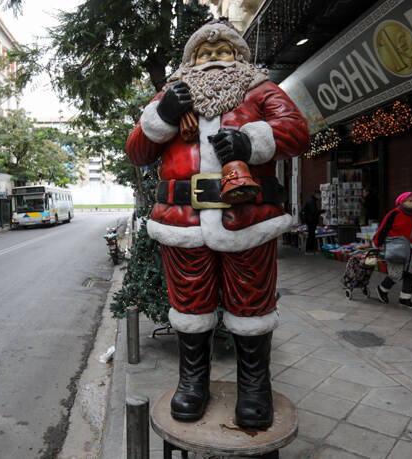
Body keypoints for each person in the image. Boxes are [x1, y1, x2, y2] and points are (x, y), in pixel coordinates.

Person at [126, 19, 309, 429]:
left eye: (223, 52)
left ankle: (255, 387)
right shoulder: (171, 95)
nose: (214, 59)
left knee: (252, 305)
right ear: (191, 61)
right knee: (191, 304)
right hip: (184, 221)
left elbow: (296, 131)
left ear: (239, 58)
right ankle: (192, 382)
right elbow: (137, 151)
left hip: (247, 218)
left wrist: (249, 141)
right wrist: (163, 115)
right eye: (205, 54)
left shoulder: (259, 90)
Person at [372, 191, 412, 309]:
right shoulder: (394, 214)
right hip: (398, 249)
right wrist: (378, 242)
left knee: (410, 274)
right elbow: (383, 228)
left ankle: (405, 299)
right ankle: (382, 289)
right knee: (396, 273)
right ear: (402, 202)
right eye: (410, 201)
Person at [300, 190, 324, 254]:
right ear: (316, 194)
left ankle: (311, 249)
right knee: (311, 236)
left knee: (312, 235)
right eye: (319, 195)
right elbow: (314, 212)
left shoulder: (312, 201)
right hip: (311, 221)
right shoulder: (311, 201)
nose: (320, 196)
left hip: (311, 221)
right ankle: (309, 250)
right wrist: (322, 211)